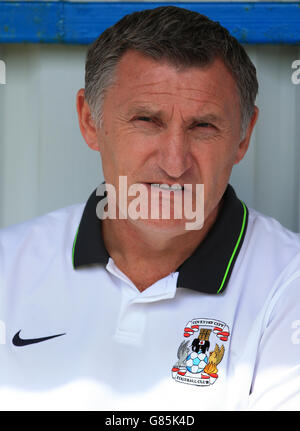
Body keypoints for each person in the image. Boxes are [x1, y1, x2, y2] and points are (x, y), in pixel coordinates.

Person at [0, 5, 299, 411]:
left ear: (243, 136)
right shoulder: (7, 267)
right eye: (146, 120)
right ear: (90, 120)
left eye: (203, 126)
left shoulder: (289, 284)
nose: (174, 164)